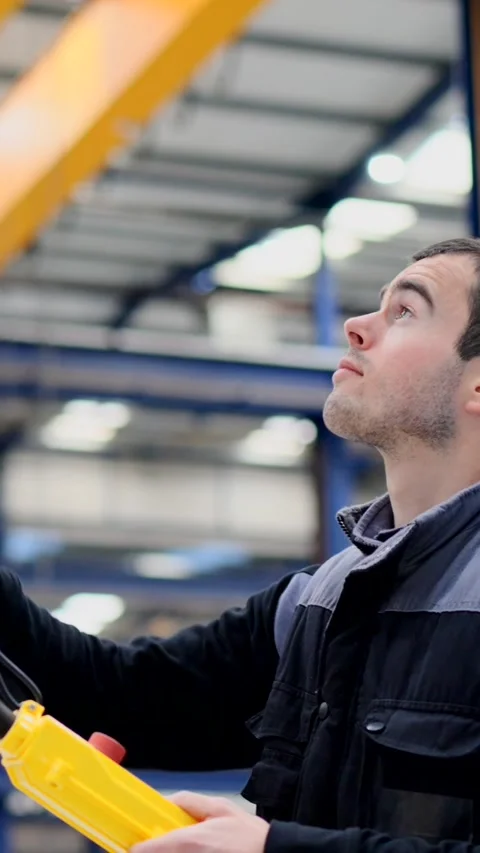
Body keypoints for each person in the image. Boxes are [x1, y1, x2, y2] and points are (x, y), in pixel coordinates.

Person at [2, 237, 480, 853]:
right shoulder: (320, 604)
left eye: (406, 312)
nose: (358, 327)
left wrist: (271, 849)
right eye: (377, 304)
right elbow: (122, 698)